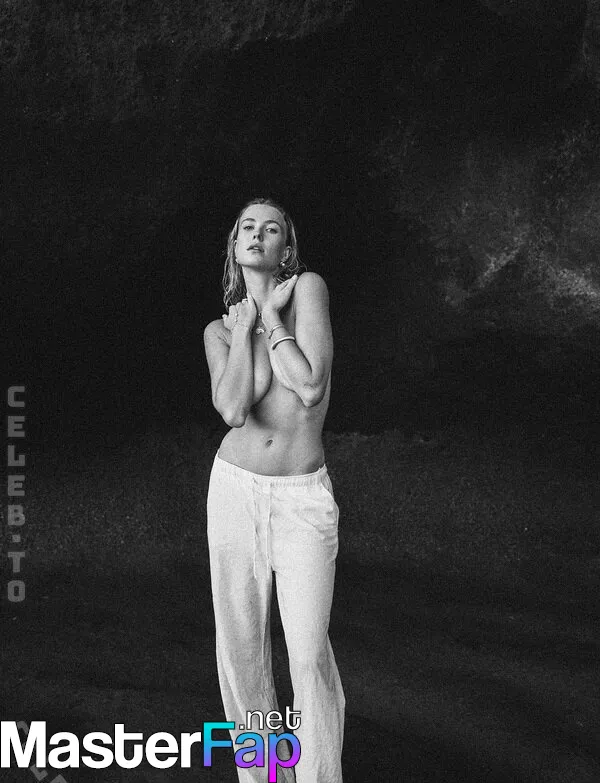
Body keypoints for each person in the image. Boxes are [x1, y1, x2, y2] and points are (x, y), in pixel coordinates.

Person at [203, 198, 345, 782]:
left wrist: (271, 318)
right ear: (235, 246)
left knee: (307, 655)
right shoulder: (218, 330)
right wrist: (245, 328)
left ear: (287, 248)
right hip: (234, 492)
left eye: (272, 229)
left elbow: (309, 386)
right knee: (242, 653)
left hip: (300, 499)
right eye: (247, 227)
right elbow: (234, 409)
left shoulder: (308, 289)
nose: (258, 235)